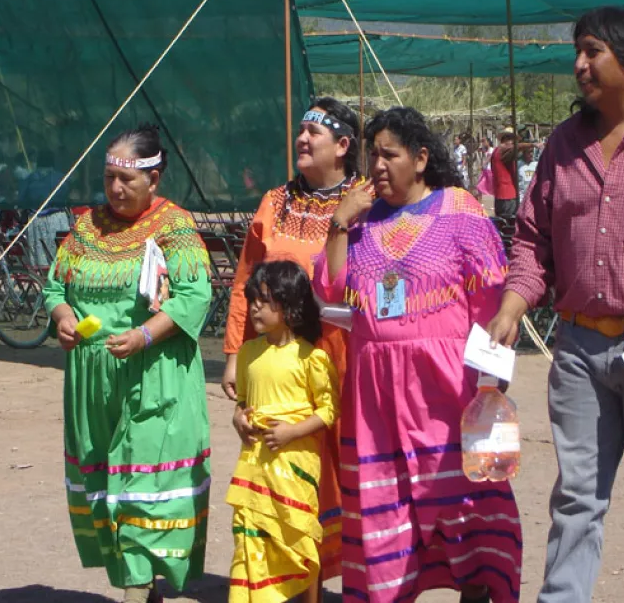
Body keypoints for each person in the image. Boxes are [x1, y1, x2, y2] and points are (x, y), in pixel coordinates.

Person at [486, 7, 624, 603]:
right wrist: (511, 307)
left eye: (592, 51)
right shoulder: (563, 146)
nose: (578, 64)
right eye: (577, 51)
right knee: (576, 501)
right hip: (578, 350)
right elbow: (532, 240)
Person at [315, 106, 522, 603]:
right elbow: (331, 289)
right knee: (386, 504)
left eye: (390, 155)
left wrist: (490, 380)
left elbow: (490, 301)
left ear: (421, 158)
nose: (378, 166)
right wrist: (339, 224)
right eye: (373, 157)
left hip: (448, 389)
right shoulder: (360, 220)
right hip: (376, 395)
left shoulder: (458, 210)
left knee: (464, 502)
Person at [43, 124, 212, 603]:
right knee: (105, 480)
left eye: (127, 180)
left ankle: (137, 591)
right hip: (93, 378)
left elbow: (194, 296)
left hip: (155, 376)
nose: (116, 189)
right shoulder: (87, 226)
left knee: (144, 480)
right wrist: (62, 317)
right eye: (109, 177)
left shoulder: (174, 227)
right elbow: (57, 284)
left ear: (154, 179)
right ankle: (137, 586)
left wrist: (142, 336)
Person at [222, 96, 373, 583]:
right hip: (281, 360)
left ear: (344, 145)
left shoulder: (369, 202)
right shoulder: (274, 202)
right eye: (301, 131)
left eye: (315, 134)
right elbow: (248, 280)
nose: (302, 140)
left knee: (350, 463)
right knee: (287, 461)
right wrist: (234, 356)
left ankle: (361, 577)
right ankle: (294, 576)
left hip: (346, 357)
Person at [226, 260, 340, 603]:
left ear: (290, 305)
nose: (255, 307)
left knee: (298, 535)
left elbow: (328, 410)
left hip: (295, 468)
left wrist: (292, 432)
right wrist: (238, 419)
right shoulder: (248, 353)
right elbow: (242, 402)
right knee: (252, 534)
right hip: (255, 466)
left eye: (264, 299)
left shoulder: (311, 358)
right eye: (252, 300)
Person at [20, 149, 73, 267]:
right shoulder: (61, 178)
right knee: (58, 257)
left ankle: (40, 280)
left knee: (39, 258)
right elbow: (68, 194)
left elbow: (22, 199)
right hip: (56, 219)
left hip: (36, 220)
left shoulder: (29, 179)